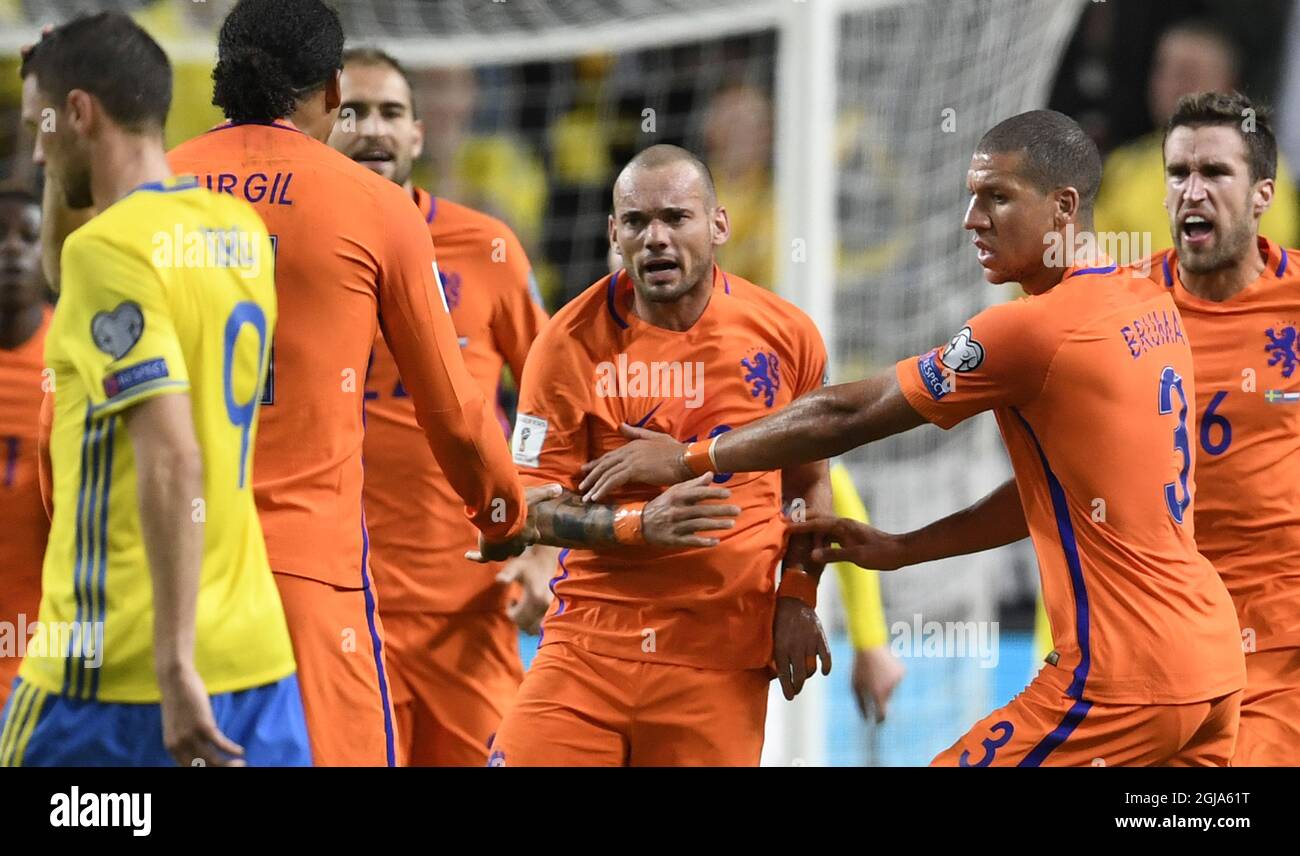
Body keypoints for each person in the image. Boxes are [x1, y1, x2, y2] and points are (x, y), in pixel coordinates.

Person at [580, 112, 1246, 766]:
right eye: (971, 198)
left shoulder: (1034, 330)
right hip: (1210, 662)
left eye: (997, 197)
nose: (972, 219)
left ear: (1063, 207)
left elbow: (844, 416)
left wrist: (693, 455)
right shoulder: (1151, 304)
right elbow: (1063, 493)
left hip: (1121, 677)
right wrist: (904, 549)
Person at [168, 0, 544, 766]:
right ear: (333, 92)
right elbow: (459, 414)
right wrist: (506, 517)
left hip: (165, 567)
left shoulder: (154, 190)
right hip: (311, 574)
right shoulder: (372, 205)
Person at [2, 13, 308, 766]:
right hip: (256, 660)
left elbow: (171, 459)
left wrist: (174, 667)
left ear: (79, 112)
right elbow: (72, 278)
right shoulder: (238, 230)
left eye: (41, 127)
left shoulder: (106, 253)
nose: (37, 151)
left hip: (120, 670)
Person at [488, 144, 832, 766]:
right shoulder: (566, 344)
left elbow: (807, 487)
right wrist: (637, 526)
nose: (655, 238)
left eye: (676, 218)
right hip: (587, 646)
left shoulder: (787, 336)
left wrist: (798, 596)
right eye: (637, 222)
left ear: (718, 225)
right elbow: (528, 509)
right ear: (613, 233)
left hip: (718, 656)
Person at [328, 47, 552, 766]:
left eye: (391, 112)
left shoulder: (486, 249)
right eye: (351, 111)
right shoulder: (284, 251)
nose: (372, 129)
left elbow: (558, 404)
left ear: (419, 135)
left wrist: (544, 550)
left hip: (472, 611)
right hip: (338, 610)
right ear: (318, 128)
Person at [1094, 20, 1298, 258]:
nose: (1173, 85)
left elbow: (1266, 257)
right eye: (1164, 71)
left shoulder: (1258, 165)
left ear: (1228, 87)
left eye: (1189, 74)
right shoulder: (1123, 164)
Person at [0, 188, 50, 711]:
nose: (11, 251)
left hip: (43, 658)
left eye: (27, 237)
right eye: (0, 237)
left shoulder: (76, 356)